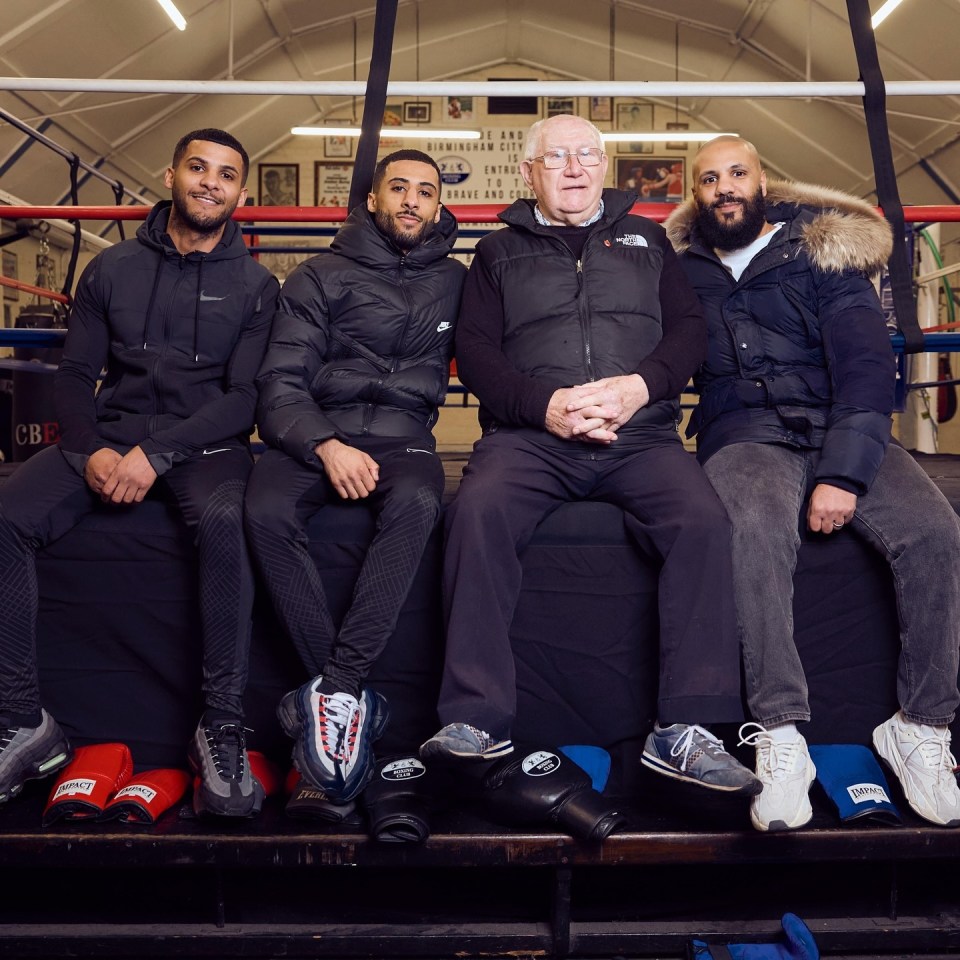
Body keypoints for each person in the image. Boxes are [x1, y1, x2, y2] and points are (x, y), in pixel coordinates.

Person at [418, 114, 760, 799]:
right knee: (476, 511)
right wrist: (543, 405)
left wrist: (638, 389)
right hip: (531, 438)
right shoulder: (495, 254)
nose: (573, 168)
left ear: (604, 166)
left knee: (704, 522)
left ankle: (686, 731)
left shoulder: (650, 241)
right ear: (529, 173)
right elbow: (478, 353)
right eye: (556, 158)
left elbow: (689, 330)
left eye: (586, 156)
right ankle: (475, 720)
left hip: (639, 435)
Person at [665, 135, 960, 831]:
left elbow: (864, 369)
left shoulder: (820, 255)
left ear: (764, 181)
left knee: (937, 533)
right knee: (752, 530)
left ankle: (922, 725)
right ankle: (780, 731)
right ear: (696, 194)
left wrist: (841, 474)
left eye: (738, 173)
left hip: (839, 425)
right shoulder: (679, 273)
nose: (725, 188)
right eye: (709, 180)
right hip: (744, 433)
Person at [0, 128, 279, 817]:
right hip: (111, 435)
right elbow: (73, 374)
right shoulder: (112, 268)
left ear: (241, 193)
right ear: (171, 173)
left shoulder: (256, 285)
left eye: (225, 175)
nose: (210, 183)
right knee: (5, 518)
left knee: (225, 521)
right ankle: (21, 721)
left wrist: (158, 456)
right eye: (197, 168)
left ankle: (219, 723)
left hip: (206, 447)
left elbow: (244, 399)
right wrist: (92, 447)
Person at [245, 149, 466, 803]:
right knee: (262, 511)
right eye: (398, 188)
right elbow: (279, 379)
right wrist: (325, 444)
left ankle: (335, 688)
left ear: (437, 205)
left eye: (425, 192)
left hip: (406, 440)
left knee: (423, 503)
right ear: (372, 199)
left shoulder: (457, 281)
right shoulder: (317, 275)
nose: (410, 201)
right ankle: (342, 694)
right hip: (318, 429)